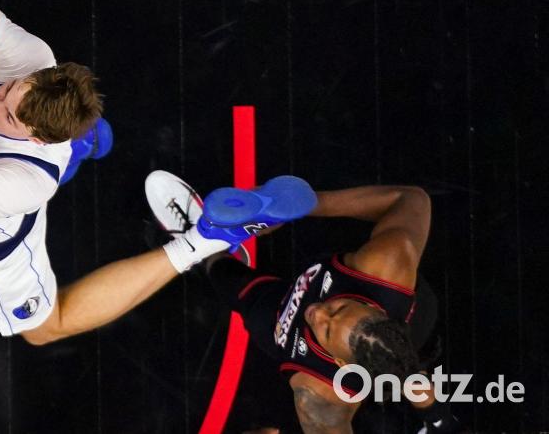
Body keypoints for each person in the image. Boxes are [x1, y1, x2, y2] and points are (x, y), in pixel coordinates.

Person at [0, 0, 300, 346]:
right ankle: (81, 140)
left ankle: (207, 238)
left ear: (37, 139)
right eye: (8, 91)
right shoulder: (30, 59)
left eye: (8, 116)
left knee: (44, 327)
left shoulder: (22, 181)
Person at [145, 171, 462, 433]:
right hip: (415, 320)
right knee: (403, 363)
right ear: (371, 306)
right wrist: (301, 205)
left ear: (342, 365)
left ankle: (204, 249)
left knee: (238, 288)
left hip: (291, 338)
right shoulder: (385, 265)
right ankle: (440, 420)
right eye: (339, 308)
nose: (317, 311)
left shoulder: (317, 395)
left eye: (326, 330)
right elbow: (410, 199)